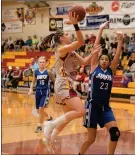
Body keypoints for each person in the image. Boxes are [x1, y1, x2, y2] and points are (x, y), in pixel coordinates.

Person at [42, 12, 101, 146]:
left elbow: (85, 62)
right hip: (64, 84)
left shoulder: (72, 52)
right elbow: (80, 42)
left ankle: (50, 138)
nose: (69, 36)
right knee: (81, 111)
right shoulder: (61, 50)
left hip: (65, 85)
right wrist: (75, 24)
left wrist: (93, 53)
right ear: (62, 38)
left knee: (67, 116)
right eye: (67, 35)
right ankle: (50, 124)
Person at [79, 22, 123, 155]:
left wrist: (120, 40)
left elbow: (117, 55)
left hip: (105, 107)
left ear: (109, 62)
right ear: (98, 61)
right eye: (102, 59)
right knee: (91, 139)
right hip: (92, 106)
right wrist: (100, 29)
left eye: (106, 59)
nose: (104, 60)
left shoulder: (111, 70)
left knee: (115, 133)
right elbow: (95, 48)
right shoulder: (94, 68)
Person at [28, 56, 55, 133]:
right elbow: (33, 81)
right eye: (40, 62)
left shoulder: (49, 72)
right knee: (38, 111)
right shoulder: (35, 72)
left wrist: (56, 92)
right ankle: (49, 117)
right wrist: (30, 89)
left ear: (46, 63)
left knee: (41, 109)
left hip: (45, 92)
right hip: (38, 91)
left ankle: (39, 126)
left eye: (43, 62)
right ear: (38, 64)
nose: (42, 63)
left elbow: (55, 81)